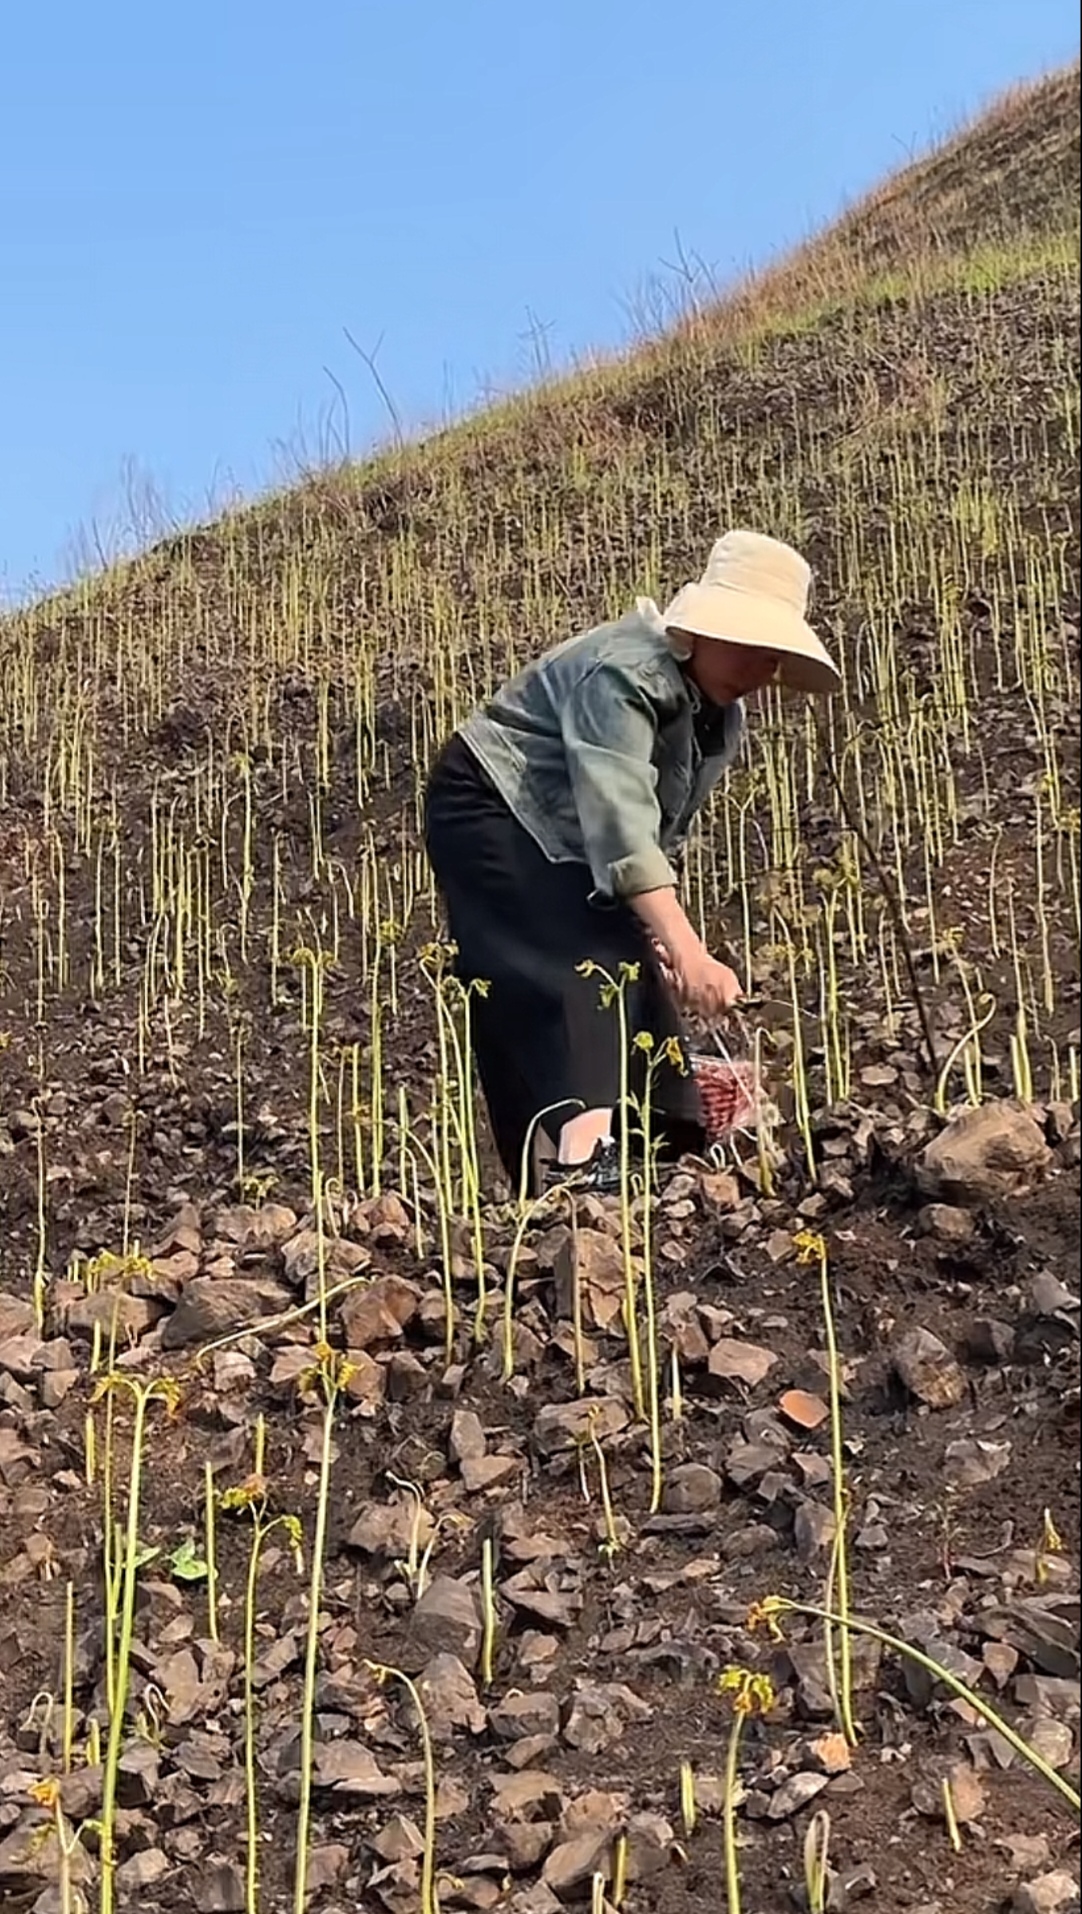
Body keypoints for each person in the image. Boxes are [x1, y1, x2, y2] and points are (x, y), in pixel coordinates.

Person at [423, 529, 841, 1195]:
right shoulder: (623, 673)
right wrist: (690, 948)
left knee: (627, 958)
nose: (761, 670)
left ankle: (644, 1148)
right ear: (702, 626)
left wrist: (663, 935)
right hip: (490, 802)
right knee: (582, 962)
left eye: (773, 658)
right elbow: (617, 817)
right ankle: (580, 1159)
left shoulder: (717, 720)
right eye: (751, 646)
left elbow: (656, 829)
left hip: (570, 828)